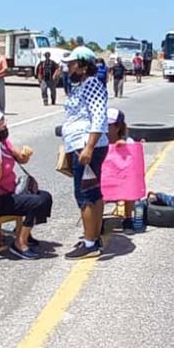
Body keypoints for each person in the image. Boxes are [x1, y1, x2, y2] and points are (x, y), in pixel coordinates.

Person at [0, 109, 52, 260]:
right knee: (37, 202)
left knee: (45, 197)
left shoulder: (3, 143)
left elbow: (20, 158)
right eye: (0, 123)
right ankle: (19, 243)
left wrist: (25, 154)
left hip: (10, 193)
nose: (4, 125)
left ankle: (24, 232)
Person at [61, 46, 110, 259]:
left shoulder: (91, 84)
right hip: (80, 144)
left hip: (86, 146)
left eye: (71, 64)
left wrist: (88, 148)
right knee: (93, 192)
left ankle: (90, 244)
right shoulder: (80, 85)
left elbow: (99, 117)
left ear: (81, 66)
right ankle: (94, 235)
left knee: (85, 195)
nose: (68, 68)